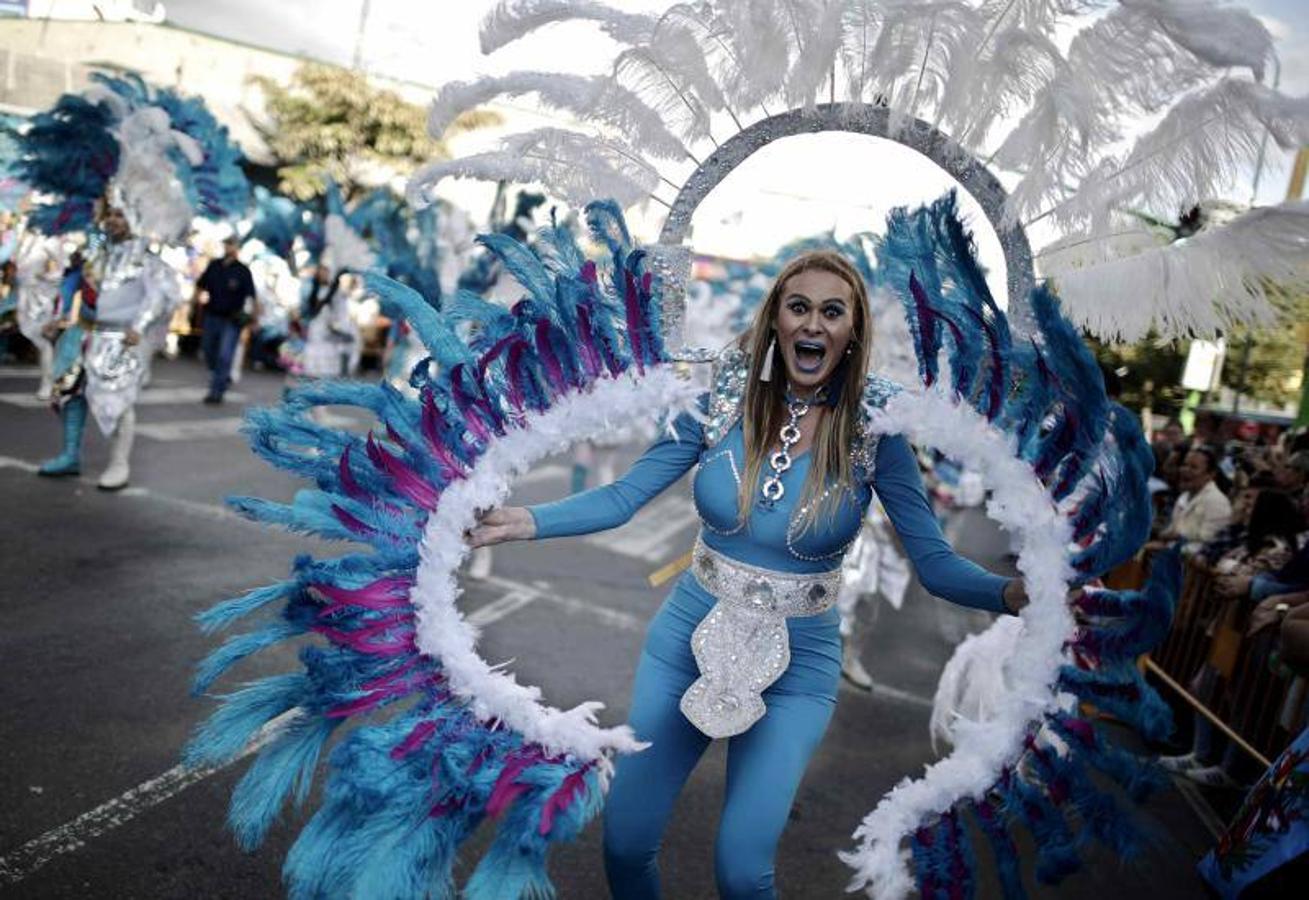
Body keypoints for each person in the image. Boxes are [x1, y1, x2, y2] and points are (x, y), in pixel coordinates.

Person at [467, 251, 1027, 898]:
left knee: (741, 871)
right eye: (798, 307)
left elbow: (933, 564)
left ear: (851, 332)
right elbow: (622, 497)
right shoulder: (718, 401)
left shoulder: (878, 433)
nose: (811, 324)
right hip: (684, 642)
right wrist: (521, 521)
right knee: (623, 844)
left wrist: (1013, 594)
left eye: (830, 311)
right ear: (775, 321)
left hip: (799, 667)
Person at [37, 203, 177, 489]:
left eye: (120, 215)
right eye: (110, 215)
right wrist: (59, 316)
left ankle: (119, 463)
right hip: (83, 334)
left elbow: (158, 297)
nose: (113, 221)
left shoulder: (146, 260)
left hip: (119, 339)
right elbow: (71, 284)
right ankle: (70, 455)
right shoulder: (94, 252)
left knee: (118, 402)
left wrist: (139, 326)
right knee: (70, 392)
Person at [194, 236, 255, 404]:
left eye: (232, 244)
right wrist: (198, 299)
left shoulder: (243, 270)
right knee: (208, 350)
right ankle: (221, 375)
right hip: (212, 315)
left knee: (225, 355)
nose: (228, 247)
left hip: (232, 319)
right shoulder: (214, 265)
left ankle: (217, 391)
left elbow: (251, 296)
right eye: (227, 243)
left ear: (237, 247)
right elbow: (201, 284)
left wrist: (249, 316)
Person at [1148, 445, 1232, 554]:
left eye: (1193, 467)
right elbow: (1172, 532)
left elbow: (1208, 543)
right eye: (1184, 465)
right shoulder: (1184, 497)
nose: (1185, 470)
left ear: (1210, 474)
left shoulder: (1217, 501)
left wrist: (1169, 545)